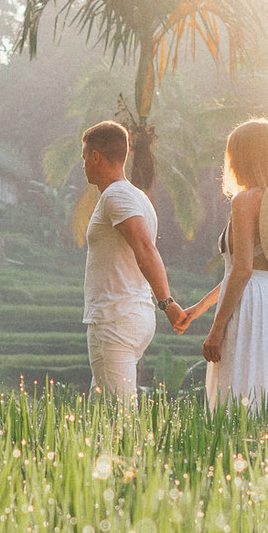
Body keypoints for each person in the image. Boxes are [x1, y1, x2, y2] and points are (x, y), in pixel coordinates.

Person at [174, 118, 268, 412]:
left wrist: (216, 330)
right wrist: (198, 309)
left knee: (243, 393)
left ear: (244, 157)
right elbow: (243, 270)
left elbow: (241, 271)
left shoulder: (245, 201)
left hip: (251, 304)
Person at [78, 121, 188, 406]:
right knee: (98, 412)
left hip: (115, 318)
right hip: (131, 315)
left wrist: (168, 303)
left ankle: (134, 452)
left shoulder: (116, 195)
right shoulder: (137, 196)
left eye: (84, 157)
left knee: (119, 418)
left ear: (96, 157)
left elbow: (144, 247)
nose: (83, 165)